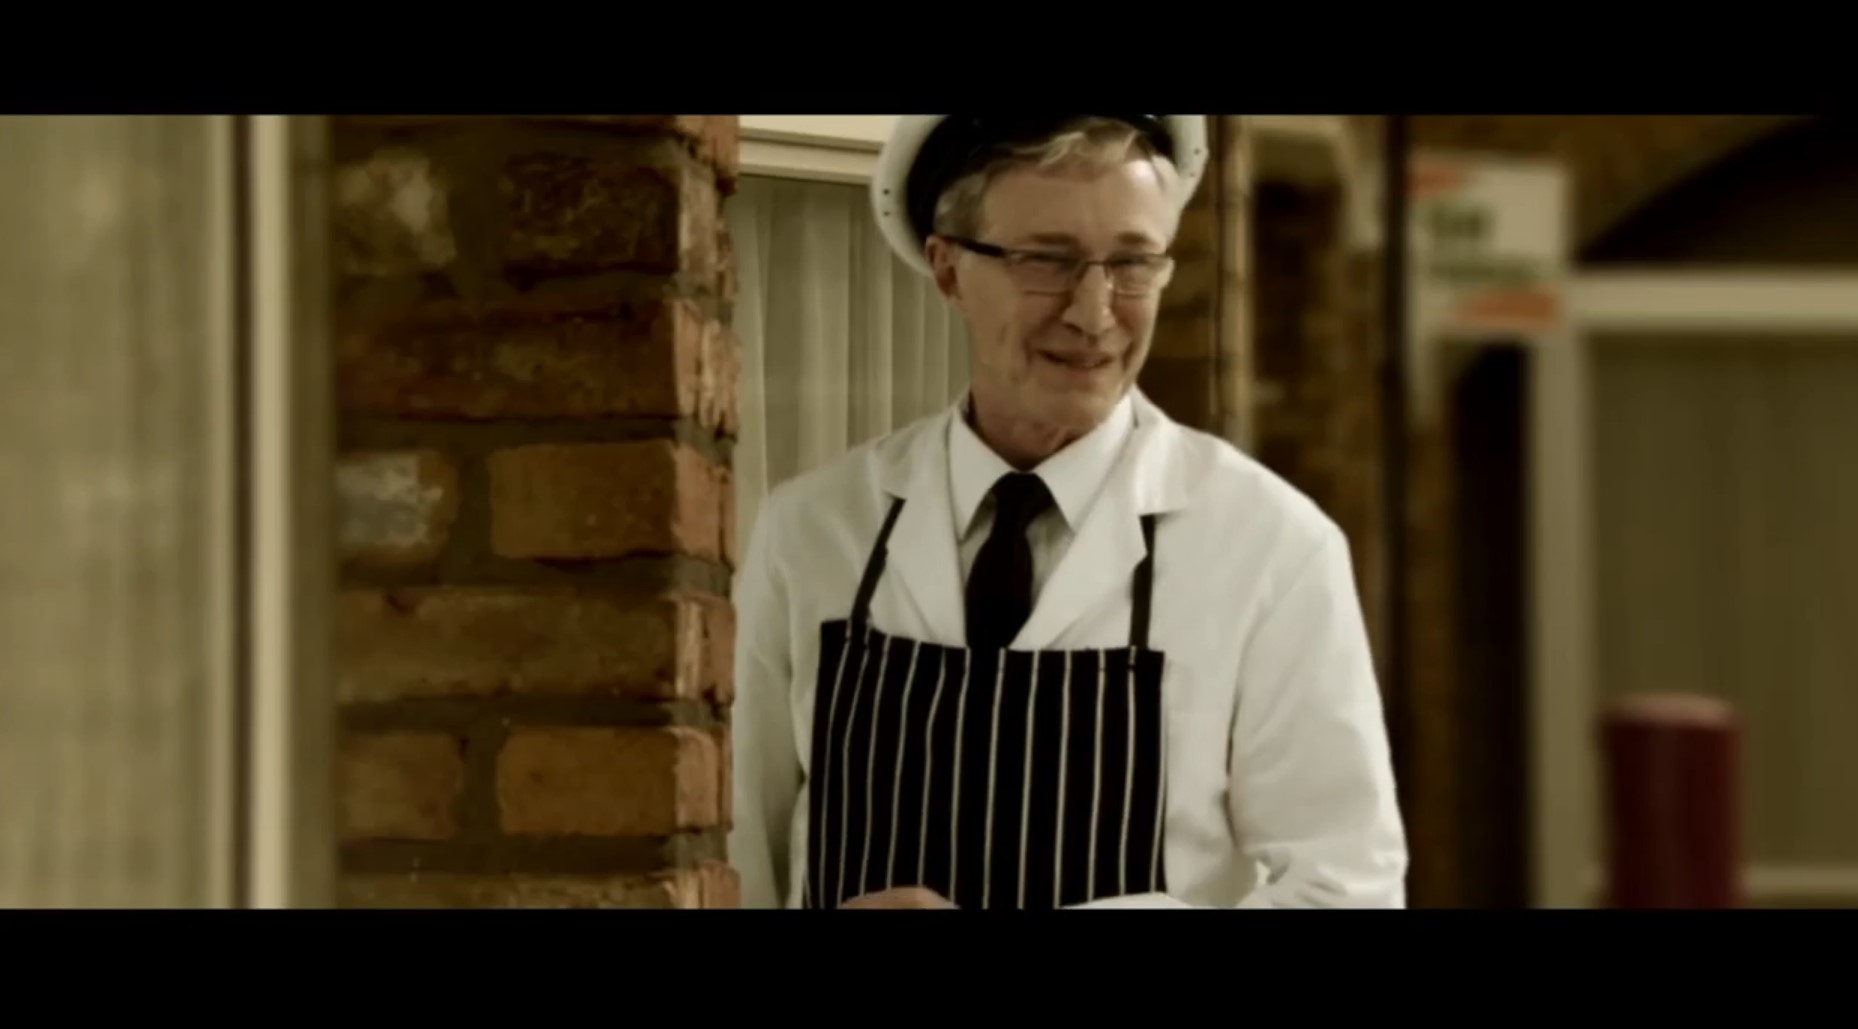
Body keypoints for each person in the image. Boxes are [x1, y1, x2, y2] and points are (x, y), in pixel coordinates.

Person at [728, 115, 1407, 909]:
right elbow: (735, 855)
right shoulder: (810, 531)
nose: (1095, 312)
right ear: (948, 270)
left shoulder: (1272, 547)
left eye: (1131, 264)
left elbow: (1346, 889)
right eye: (1046, 261)